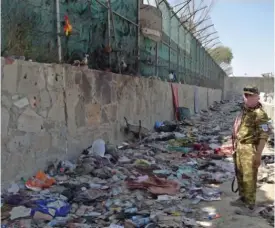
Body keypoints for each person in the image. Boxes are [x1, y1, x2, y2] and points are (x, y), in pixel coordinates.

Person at [231, 86, 270, 216]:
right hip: (240, 147)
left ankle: (250, 205)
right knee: (240, 174)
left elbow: (264, 135)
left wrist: (258, 154)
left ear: (257, 97)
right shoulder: (245, 111)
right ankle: (242, 198)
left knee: (249, 177)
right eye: (245, 95)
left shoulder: (260, 114)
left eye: (250, 96)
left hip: (250, 148)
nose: (246, 98)